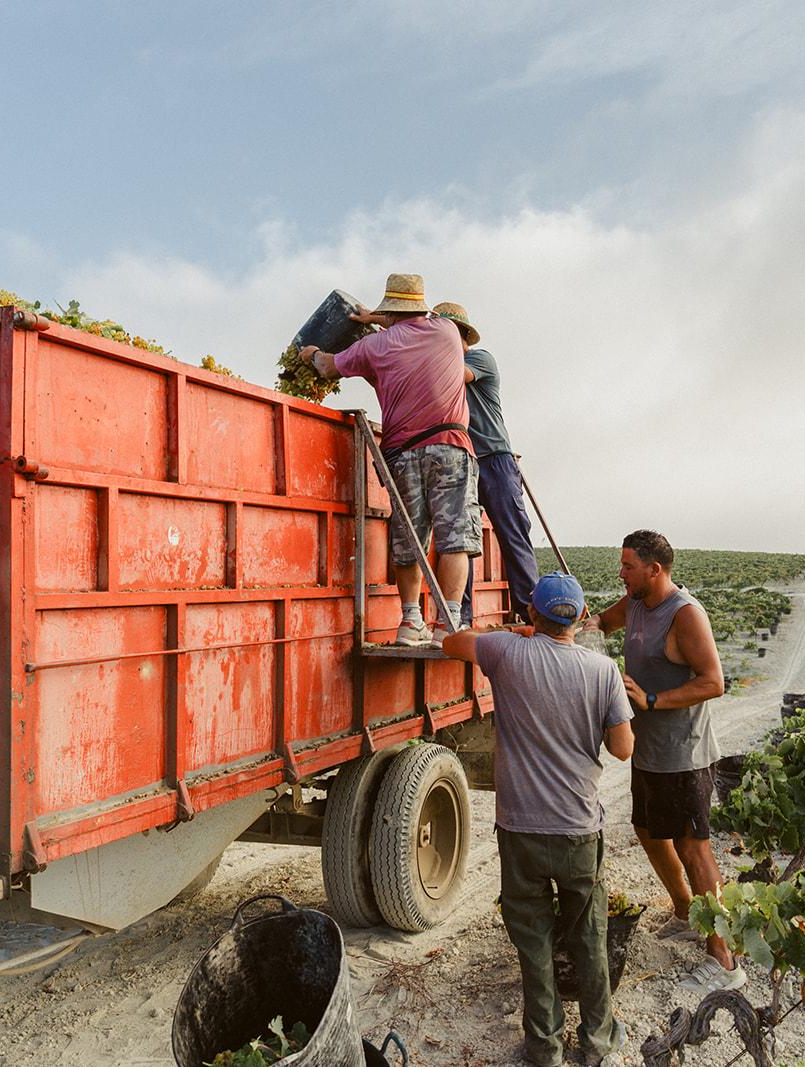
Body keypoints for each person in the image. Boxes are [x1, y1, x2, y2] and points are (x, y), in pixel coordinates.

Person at [442, 573, 634, 1067]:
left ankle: (544, 1047)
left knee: (533, 940)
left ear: (533, 614)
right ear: (581, 615)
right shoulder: (602, 670)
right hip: (578, 828)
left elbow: (450, 641)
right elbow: (622, 748)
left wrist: (520, 635)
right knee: (589, 937)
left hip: (520, 829)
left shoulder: (507, 653)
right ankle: (596, 1041)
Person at [582, 529, 744, 994]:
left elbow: (714, 682)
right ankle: (684, 912)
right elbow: (599, 626)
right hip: (648, 747)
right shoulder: (633, 601)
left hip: (684, 751)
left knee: (694, 845)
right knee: (650, 832)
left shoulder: (685, 615)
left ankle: (725, 959)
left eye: (628, 565)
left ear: (655, 569)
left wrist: (652, 698)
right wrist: (568, 628)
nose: (621, 572)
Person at [302, 273, 480, 647]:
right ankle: (448, 623)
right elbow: (413, 326)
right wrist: (377, 319)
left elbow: (328, 368)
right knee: (455, 539)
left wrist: (311, 354)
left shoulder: (375, 348)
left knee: (409, 540)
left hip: (401, 454)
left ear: (390, 310)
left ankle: (410, 622)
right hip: (449, 445)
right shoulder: (447, 331)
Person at [429, 301, 539, 628]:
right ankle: (459, 617)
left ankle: (529, 613)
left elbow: (454, 375)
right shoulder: (436, 367)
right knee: (461, 540)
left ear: (458, 334)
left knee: (512, 535)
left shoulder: (479, 359)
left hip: (495, 460)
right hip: (463, 462)